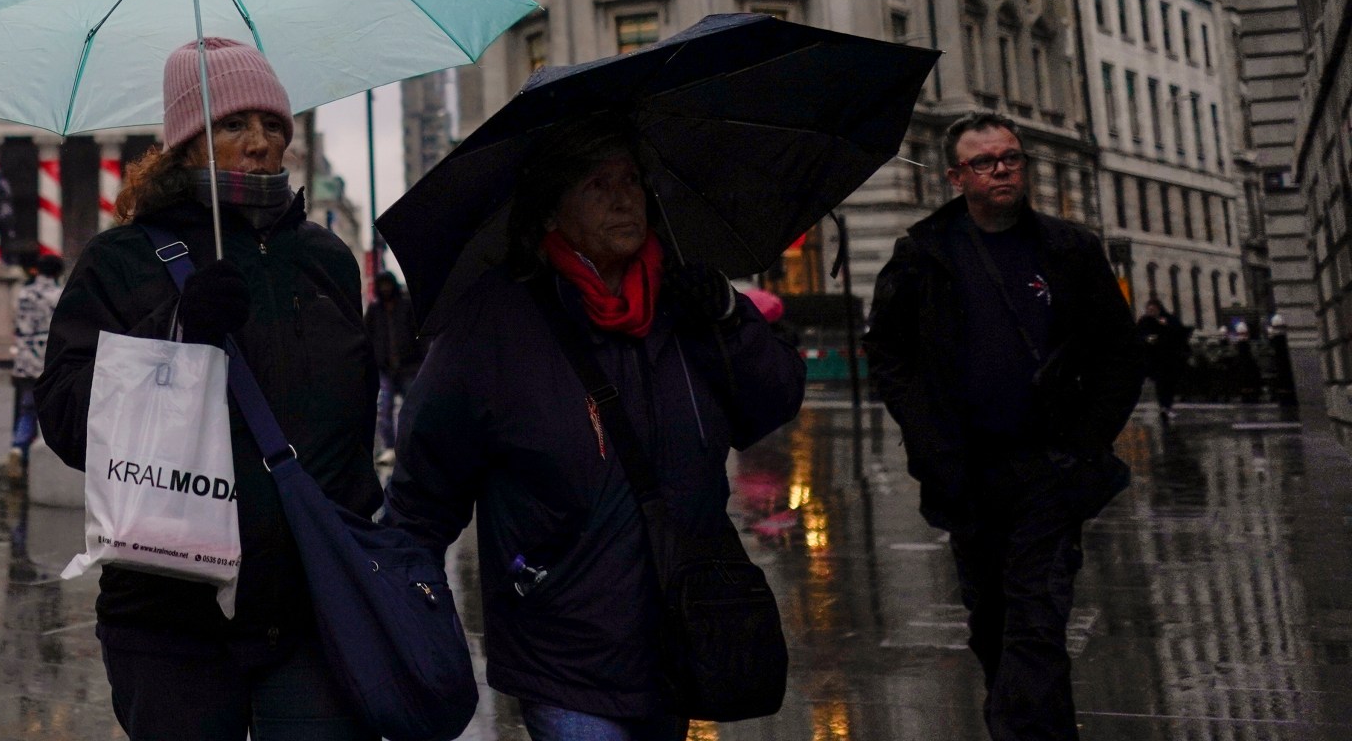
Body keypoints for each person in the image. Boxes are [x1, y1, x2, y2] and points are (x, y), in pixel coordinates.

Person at [386, 119, 805, 740]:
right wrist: (406, 606)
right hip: (565, 649)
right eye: (597, 184)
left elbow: (771, 402)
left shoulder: (684, 302)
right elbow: (424, 489)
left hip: (676, 632)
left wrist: (728, 317)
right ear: (553, 213)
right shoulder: (494, 323)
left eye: (631, 180)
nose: (623, 197)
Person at [37, 37, 379, 741]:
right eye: (232, 125)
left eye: (273, 124)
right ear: (188, 141)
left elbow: (351, 424)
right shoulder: (122, 259)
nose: (259, 144)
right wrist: (175, 335)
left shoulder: (325, 259)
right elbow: (67, 421)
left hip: (314, 605)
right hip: (170, 616)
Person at [867, 112, 1143, 741]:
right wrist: (926, 435)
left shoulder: (1070, 249)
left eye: (1011, 158)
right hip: (966, 476)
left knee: (1037, 620)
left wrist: (1084, 441)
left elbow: (1119, 354)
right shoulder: (923, 255)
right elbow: (888, 351)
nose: (1002, 170)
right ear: (956, 176)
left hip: (1049, 470)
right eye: (986, 162)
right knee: (992, 625)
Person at [364, 269, 424, 462]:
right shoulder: (375, 310)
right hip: (385, 368)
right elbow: (367, 336)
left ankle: (406, 446)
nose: (385, 289)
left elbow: (418, 336)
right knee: (385, 408)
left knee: (410, 408)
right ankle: (391, 447)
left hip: (408, 367)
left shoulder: (406, 307)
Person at [10, 251, 64, 465]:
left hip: (25, 359)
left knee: (27, 408)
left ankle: (18, 446)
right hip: (48, 359)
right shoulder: (58, 295)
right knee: (52, 408)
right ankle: (46, 454)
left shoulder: (23, 294)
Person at [1134, 298, 1191, 420]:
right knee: (1161, 383)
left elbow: (1180, 333)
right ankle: (1164, 406)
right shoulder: (1144, 321)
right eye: (1149, 310)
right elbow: (1138, 335)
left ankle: (1167, 406)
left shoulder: (1168, 319)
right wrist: (1147, 339)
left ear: (1158, 309)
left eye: (1153, 310)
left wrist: (1166, 326)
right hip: (1154, 359)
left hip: (1169, 358)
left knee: (1169, 383)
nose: (1151, 312)